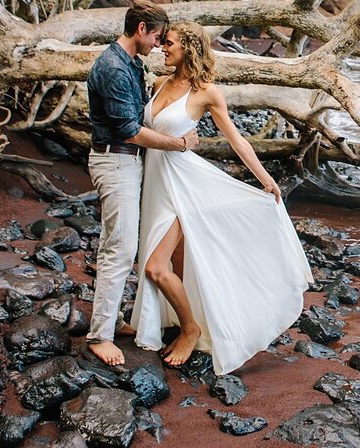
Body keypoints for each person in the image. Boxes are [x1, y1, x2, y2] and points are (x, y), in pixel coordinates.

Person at [130, 21, 313, 373]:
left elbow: (236, 140)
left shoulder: (207, 94)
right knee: (178, 261)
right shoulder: (158, 83)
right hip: (155, 183)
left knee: (154, 268)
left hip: (184, 187)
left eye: (168, 43)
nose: (162, 48)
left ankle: (190, 329)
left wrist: (265, 178)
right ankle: (186, 317)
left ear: (189, 48)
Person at [85, 1, 199, 367]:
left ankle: (111, 320)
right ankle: (100, 336)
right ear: (141, 30)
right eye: (157, 37)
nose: (159, 44)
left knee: (114, 245)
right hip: (115, 159)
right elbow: (130, 131)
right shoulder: (115, 68)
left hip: (126, 163)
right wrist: (180, 144)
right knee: (120, 249)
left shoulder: (131, 64)